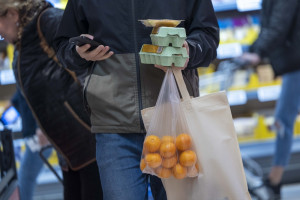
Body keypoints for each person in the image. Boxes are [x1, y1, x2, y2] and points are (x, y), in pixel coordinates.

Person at [55, 0, 219, 199]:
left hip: (174, 122)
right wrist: (79, 53)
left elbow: (208, 36)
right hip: (114, 123)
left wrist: (189, 50)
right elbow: (64, 46)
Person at [0, 0, 103, 199]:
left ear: (12, 14)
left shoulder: (46, 21)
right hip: (68, 151)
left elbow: (87, 64)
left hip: (90, 141)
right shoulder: (22, 46)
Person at [240, 0, 300, 198]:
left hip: (296, 63)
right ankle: (275, 180)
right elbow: (271, 26)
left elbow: (278, 26)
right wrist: (252, 49)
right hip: (293, 62)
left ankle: (275, 181)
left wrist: (256, 51)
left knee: (283, 119)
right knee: (284, 118)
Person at [9, 88, 52, 200]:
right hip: (34, 136)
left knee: (25, 179)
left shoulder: (27, 72)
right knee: (24, 178)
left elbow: (41, 92)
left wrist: (40, 126)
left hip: (39, 136)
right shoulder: (20, 77)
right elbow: (16, 100)